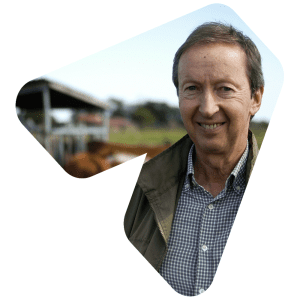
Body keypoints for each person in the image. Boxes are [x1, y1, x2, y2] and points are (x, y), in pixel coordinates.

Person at [124, 22, 264, 296]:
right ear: (179, 97)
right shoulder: (134, 191)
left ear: (255, 98)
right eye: (192, 88)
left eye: (224, 88)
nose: (207, 108)